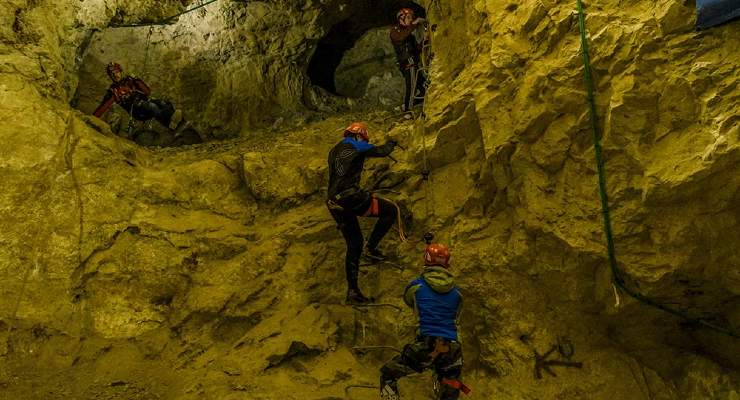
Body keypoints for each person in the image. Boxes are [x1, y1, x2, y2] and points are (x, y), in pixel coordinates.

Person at [379, 243, 468, 400]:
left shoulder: (416, 286)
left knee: (388, 374)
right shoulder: (458, 293)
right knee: (451, 385)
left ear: (426, 260)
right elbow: (457, 316)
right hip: (452, 348)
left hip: (426, 345)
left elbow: (409, 300)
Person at [327, 122, 399, 305]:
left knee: (354, 243)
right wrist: (392, 143)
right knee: (391, 210)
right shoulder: (357, 144)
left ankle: (353, 291)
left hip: (334, 202)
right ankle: (372, 249)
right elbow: (381, 151)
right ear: (359, 135)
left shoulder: (333, 151)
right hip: (351, 198)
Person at [93, 62, 184, 131]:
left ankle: (174, 120)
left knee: (163, 102)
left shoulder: (129, 80)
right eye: (112, 74)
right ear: (110, 76)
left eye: (116, 72)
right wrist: (93, 118)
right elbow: (103, 106)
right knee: (152, 106)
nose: (115, 75)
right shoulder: (113, 91)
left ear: (120, 72)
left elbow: (147, 92)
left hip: (145, 103)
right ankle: (170, 124)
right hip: (137, 112)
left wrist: (137, 81)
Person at [390, 8, 427, 113]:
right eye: (409, 18)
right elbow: (401, 38)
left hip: (413, 62)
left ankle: (407, 105)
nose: (411, 20)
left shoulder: (410, 36)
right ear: (401, 18)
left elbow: (416, 49)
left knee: (424, 87)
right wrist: (414, 24)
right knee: (412, 87)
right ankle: (408, 110)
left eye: (412, 18)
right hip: (407, 63)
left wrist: (425, 40)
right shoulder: (395, 31)